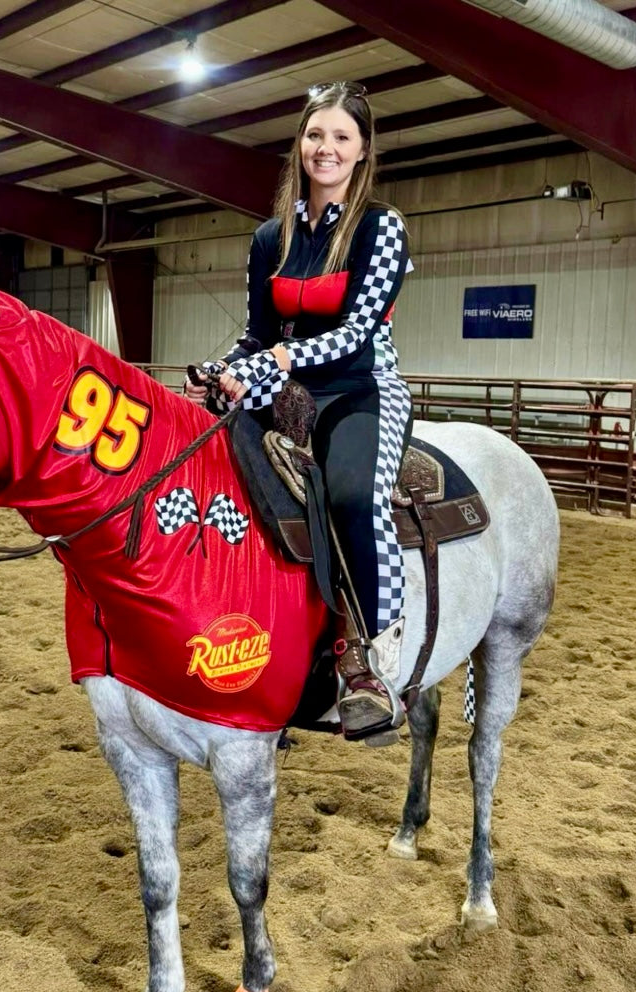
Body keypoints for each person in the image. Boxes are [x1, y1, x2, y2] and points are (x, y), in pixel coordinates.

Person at [184, 81, 413, 739]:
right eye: (316, 135)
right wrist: (228, 367)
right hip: (285, 389)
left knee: (349, 496)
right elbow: (258, 332)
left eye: (341, 136)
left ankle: (365, 663)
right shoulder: (268, 237)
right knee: (213, 477)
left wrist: (275, 362)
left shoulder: (381, 228)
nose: (326, 148)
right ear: (299, 146)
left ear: (362, 149)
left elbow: (356, 332)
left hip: (358, 389)